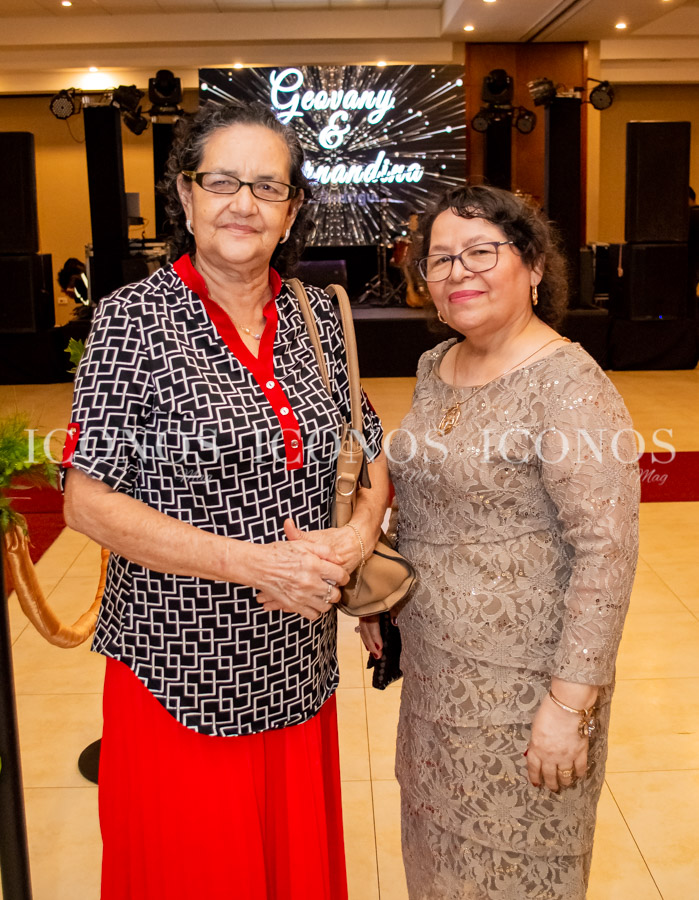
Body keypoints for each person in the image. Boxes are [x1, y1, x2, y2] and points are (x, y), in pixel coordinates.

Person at [62, 99, 388, 900]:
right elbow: (86, 501)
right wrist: (254, 565)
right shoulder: (131, 321)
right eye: (222, 181)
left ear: (293, 210)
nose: (243, 203)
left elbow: (372, 457)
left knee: (287, 867)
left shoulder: (320, 313)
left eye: (267, 187)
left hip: (293, 660)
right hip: (179, 666)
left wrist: (351, 541)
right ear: (185, 196)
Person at [360, 184, 639, 899]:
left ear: (535, 266)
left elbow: (606, 556)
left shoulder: (570, 387)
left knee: (515, 872)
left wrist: (568, 708)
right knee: (438, 862)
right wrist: (379, 586)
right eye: (440, 259)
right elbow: (421, 503)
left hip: (527, 693)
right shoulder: (436, 367)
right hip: (434, 678)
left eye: (481, 251)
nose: (458, 273)